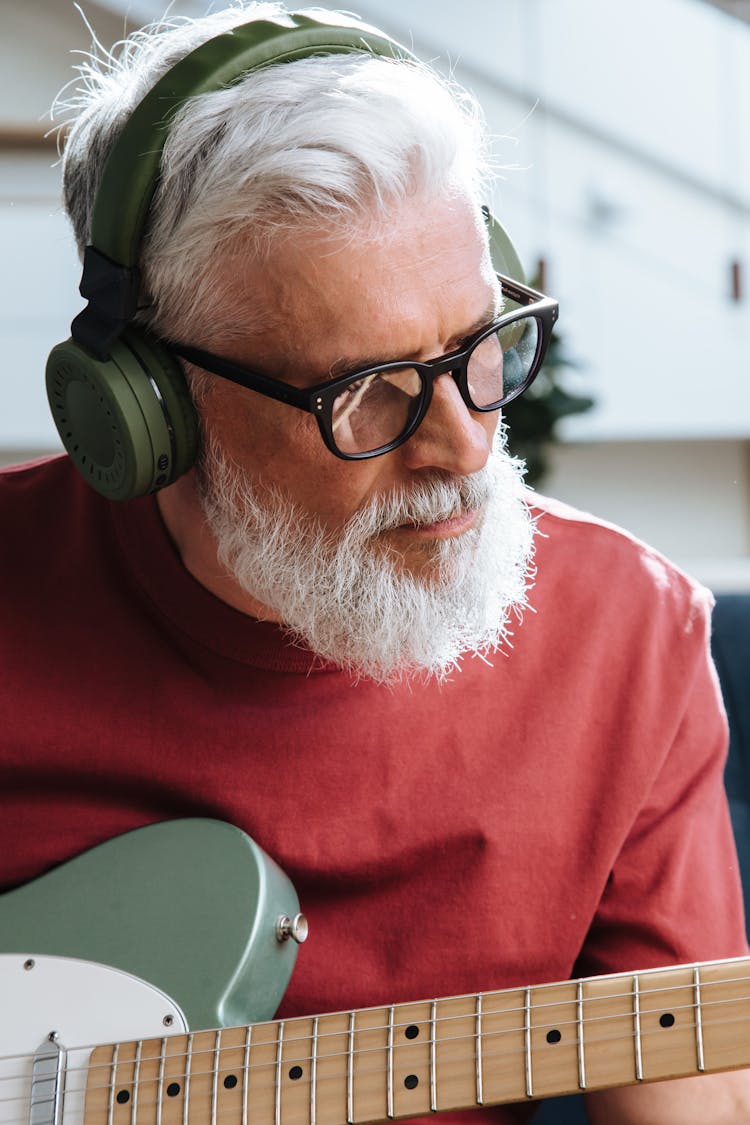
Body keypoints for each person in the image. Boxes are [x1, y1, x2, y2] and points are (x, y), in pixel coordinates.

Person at [2, 3, 749, 1121]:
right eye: (365, 392)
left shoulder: (629, 636)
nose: (467, 446)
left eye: (481, 346)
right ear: (153, 408)